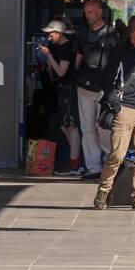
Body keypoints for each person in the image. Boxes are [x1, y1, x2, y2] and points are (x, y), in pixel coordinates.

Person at [94, 15, 135, 212]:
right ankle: (104, 189)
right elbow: (107, 79)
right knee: (117, 155)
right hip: (125, 109)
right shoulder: (120, 52)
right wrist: (116, 104)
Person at [72, 0, 117, 180]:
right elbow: (77, 58)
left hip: (104, 88)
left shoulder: (112, 34)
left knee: (104, 127)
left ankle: (108, 163)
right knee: (87, 128)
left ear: (99, 12)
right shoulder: (82, 34)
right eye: (85, 12)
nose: (87, 15)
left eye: (90, 11)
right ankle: (93, 167)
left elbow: (116, 61)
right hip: (84, 87)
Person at [38, 19, 80, 176]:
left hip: (69, 88)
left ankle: (75, 161)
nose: (48, 38)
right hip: (63, 88)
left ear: (59, 33)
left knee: (70, 125)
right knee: (65, 125)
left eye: (51, 34)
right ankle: (75, 158)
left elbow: (61, 71)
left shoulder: (65, 48)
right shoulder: (57, 47)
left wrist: (48, 55)